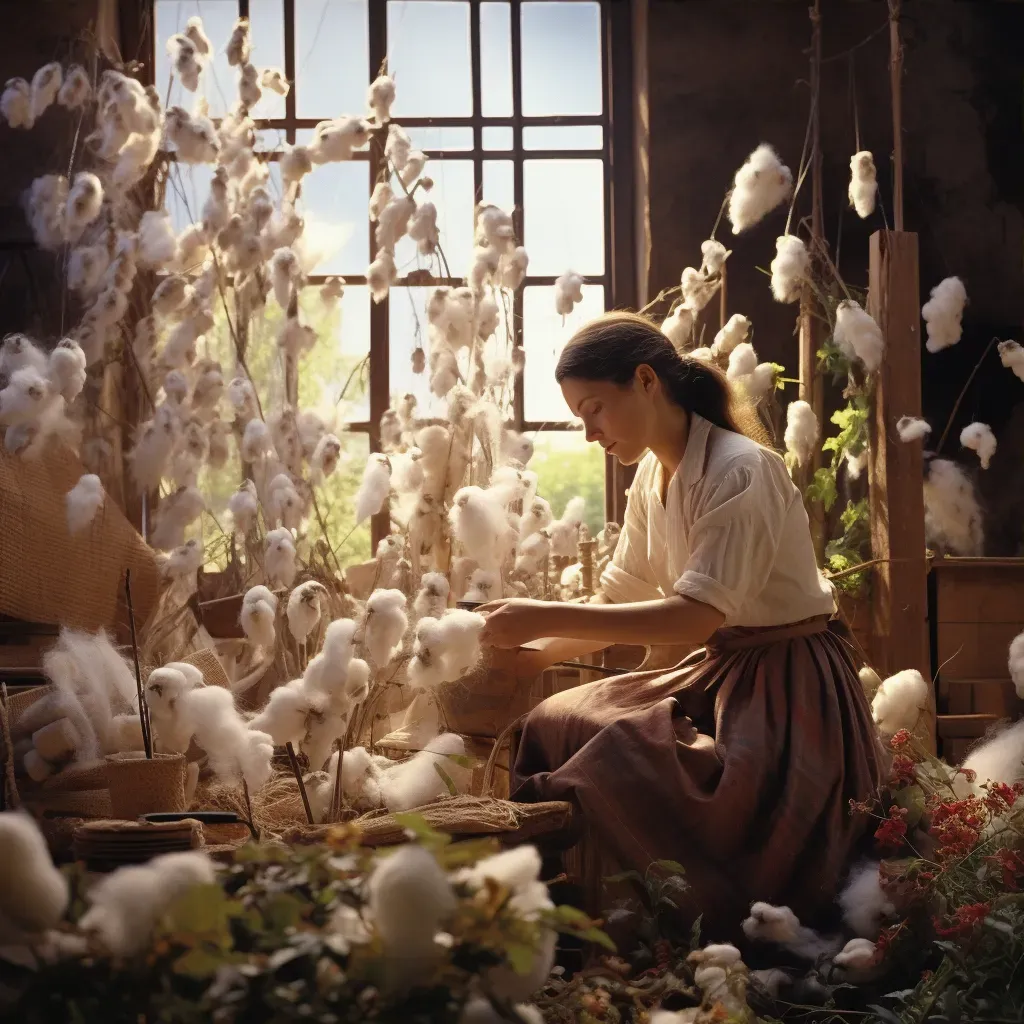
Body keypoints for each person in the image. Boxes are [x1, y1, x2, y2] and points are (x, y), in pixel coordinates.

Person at [479, 311, 883, 942]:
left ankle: (676, 928)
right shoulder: (654, 472)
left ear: (645, 380)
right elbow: (626, 590)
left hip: (789, 689)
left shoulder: (740, 469)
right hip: (725, 668)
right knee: (555, 721)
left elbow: (697, 615)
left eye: (595, 409)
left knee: (621, 758)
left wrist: (538, 615)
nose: (589, 433)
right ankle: (558, 921)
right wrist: (532, 657)